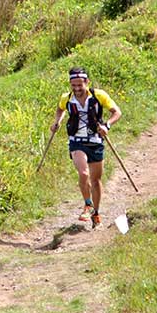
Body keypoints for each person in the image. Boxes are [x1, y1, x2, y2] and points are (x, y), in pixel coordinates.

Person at [51, 67, 121, 228]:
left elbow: (117, 112)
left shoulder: (99, 95)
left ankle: (96, 213)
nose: (76, 89)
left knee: (95, 181)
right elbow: (60, 109)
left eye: (79, 85)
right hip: (76, 141)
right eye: (73, 85)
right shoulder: (66, 98)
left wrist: (107, 125)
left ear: (87, 82)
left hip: (96, 141)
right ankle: (87, 204)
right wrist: (57, 122)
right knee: (83, 173)